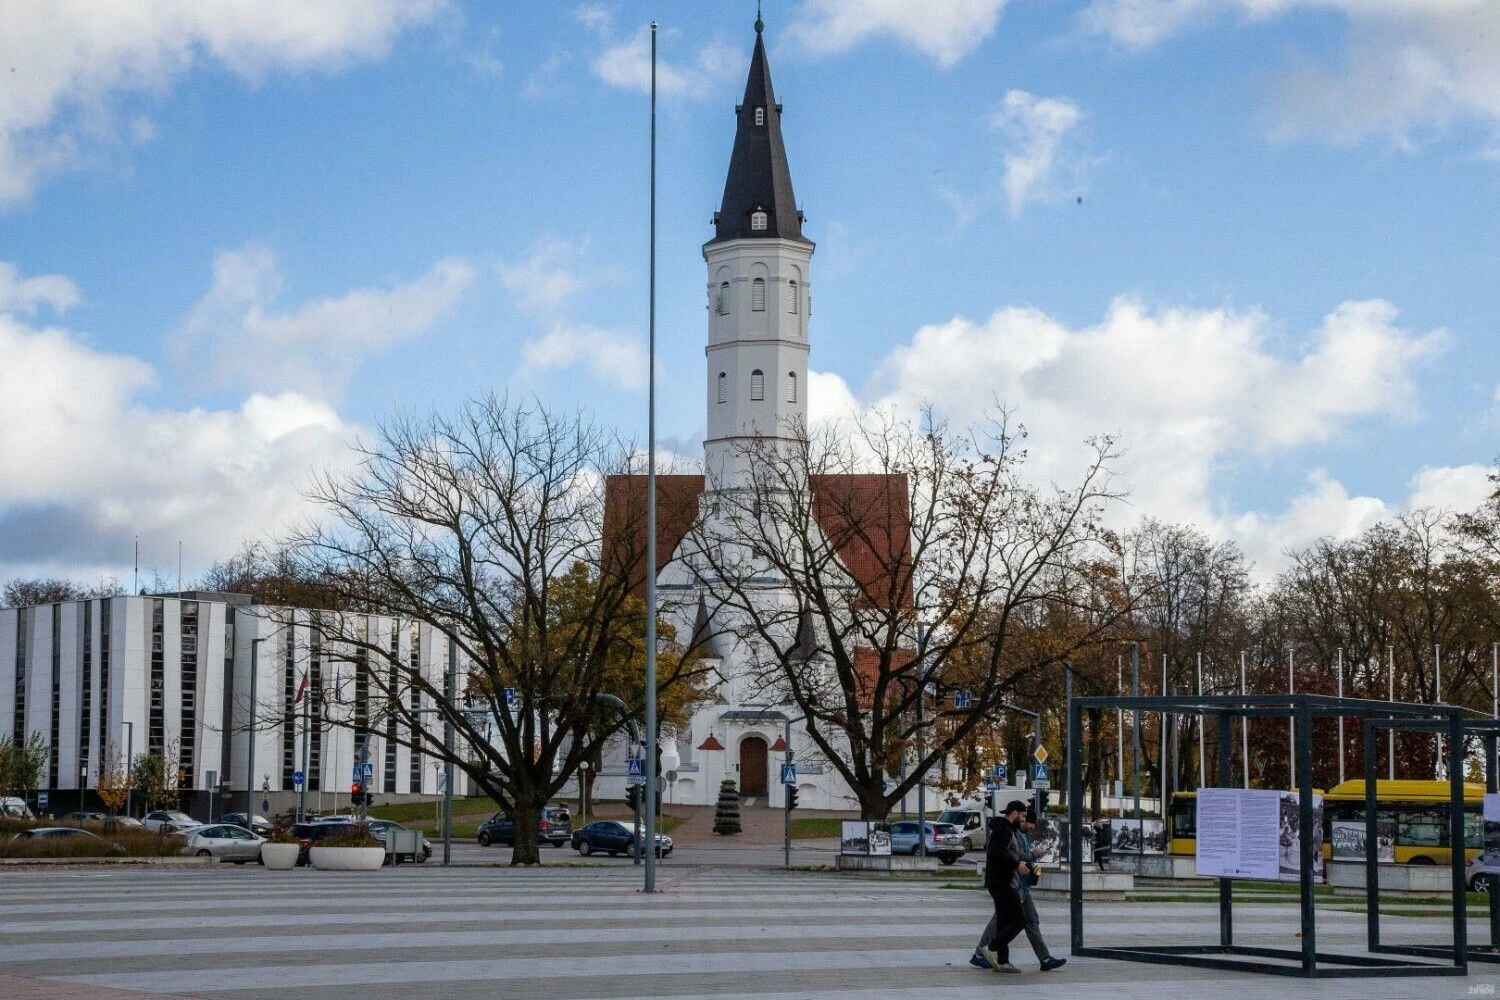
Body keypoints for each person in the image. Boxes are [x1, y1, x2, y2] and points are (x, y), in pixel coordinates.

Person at [970, 800, 1029, 974]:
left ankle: (1003, 961)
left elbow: (1000, 852)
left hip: (999, 881)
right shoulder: (1004, 830)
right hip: (1003, 883)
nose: (1024, 820)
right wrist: (1016, 864)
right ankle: (991, 948)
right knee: (1020, 920)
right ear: (1015, 813)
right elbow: (996, 852)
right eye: (1023, 815)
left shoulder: (1004, 829)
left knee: (1003, 922)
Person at [1014, 810, 1067, 971]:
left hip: (1024, 886)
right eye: (1029, 821)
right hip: (1017, 886)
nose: (1032, 826)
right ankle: (982, 951)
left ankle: (1045, 959)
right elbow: (1017, 856)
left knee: (1032, 921)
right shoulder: (1015, 835)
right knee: (1000, 922)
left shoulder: (1022, 836)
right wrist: (1035, 855)